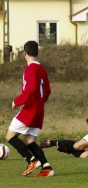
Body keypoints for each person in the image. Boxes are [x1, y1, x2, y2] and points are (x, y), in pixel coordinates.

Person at [5, 40, 54, 177]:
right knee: (29, 140)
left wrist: (17, 101)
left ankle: (31, 160)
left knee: (10, 136)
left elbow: (31, 88)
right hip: (39, 110)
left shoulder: (30, 69)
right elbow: (48, 90)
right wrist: (40, 102)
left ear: (24, 53)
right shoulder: (42, 69)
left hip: (30, 110)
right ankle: (47, 167)